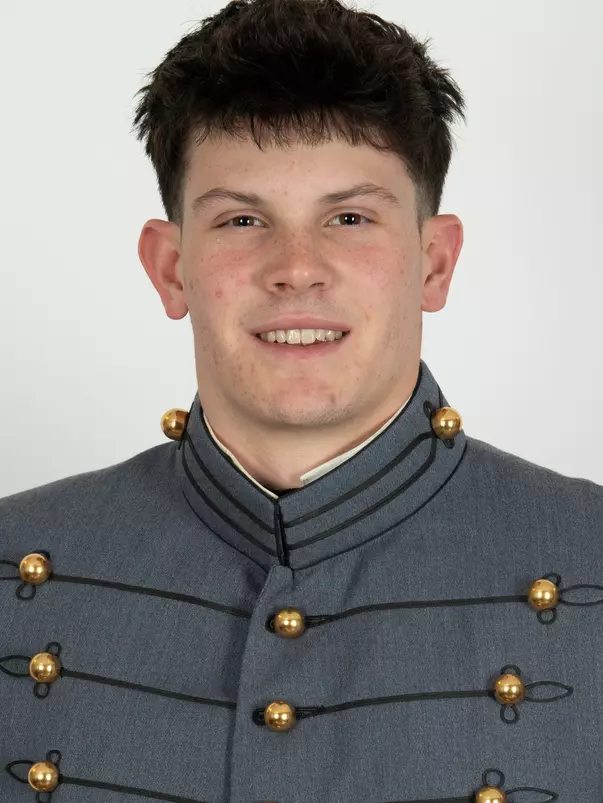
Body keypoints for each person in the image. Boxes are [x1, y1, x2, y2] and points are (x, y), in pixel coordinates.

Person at [1, 0, 602, 800]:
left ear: (433, 263)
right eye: (243, 219)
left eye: (348, 217)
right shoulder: (14, 564)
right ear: (171, 268)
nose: (295, 268)